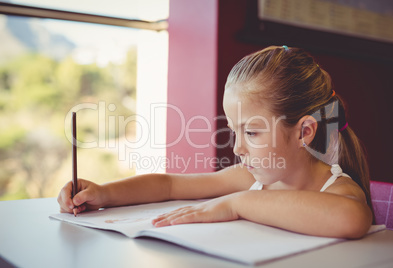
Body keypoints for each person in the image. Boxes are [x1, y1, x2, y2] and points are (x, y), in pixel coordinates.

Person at [58, 45, 373, 239]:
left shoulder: (338, 190)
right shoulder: (252, 178)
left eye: (251, 133)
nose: (237, 148)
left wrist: (238, 203)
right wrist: (103, 193)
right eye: (235, 132)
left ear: (304, 132)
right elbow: (169, 186)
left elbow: (351, 218)